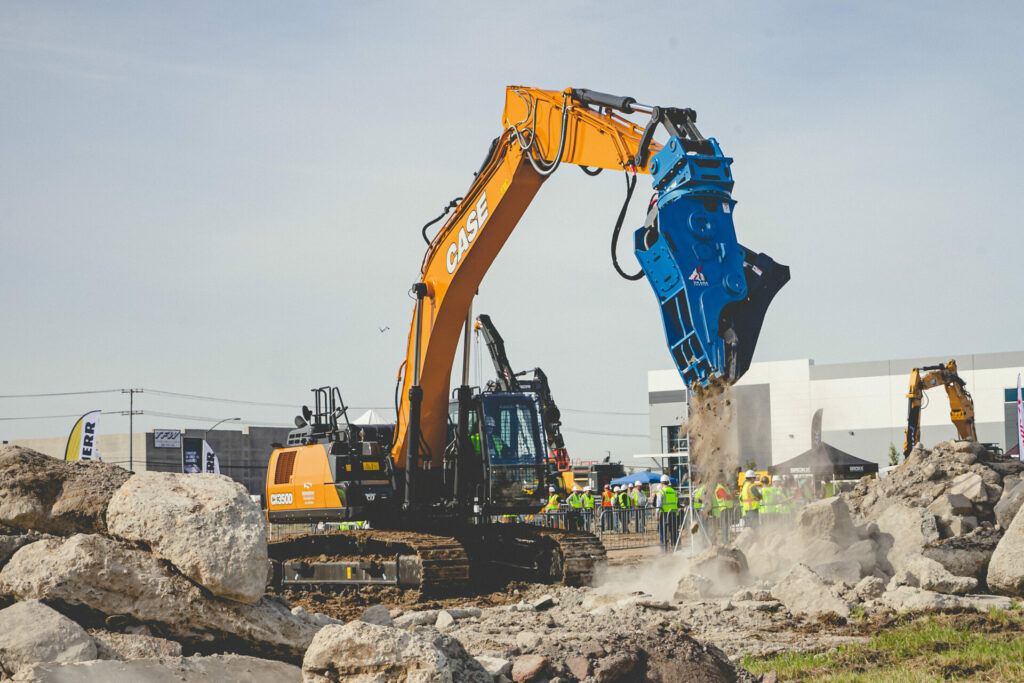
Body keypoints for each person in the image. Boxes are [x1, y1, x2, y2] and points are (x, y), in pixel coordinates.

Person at [655, 474, 679, 551]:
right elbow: (676, 502)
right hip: (674, 513)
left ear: (661, 483)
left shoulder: (661, 492)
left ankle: (664, 549)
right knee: (674, 531)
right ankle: (675, 548)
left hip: (665, 514)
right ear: (668, 482)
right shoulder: (673, 491)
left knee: (663, 532)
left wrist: (656, 515)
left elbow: (658, 505)